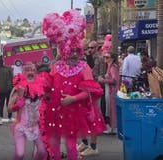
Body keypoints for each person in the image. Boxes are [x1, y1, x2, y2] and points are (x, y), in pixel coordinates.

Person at [40, 9, 106, 160]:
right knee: (54, 148)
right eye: (71, 51)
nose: (74, 54)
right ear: (64, 50)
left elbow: (89, 92)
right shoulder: (56, 66)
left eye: (77, 50)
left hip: (74, 113)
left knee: (71, 148)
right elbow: (48, 88)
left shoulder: (84, 67)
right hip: (55, 112)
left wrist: (73, 99)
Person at [8, 62, 47, 160]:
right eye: (27, 70)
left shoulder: (41, 85)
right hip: (21, 127)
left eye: (33, 70)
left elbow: (45, 101)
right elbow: (9, 108)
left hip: (35, 126)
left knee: (42, 152)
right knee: (20, 154)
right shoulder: (17, 88)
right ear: (23, 72)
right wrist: (21, 98)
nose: (30, 72)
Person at [98, 52, 120, 134]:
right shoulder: (109, 67)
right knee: (109, 109)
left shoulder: (113, 67)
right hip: (109, 90)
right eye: (104, 57)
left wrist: (103, 80)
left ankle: (113, 128)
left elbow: (114, 80)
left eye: (107, 57)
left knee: (112, 110)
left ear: (112, 58)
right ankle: (111, 127)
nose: (105, 59)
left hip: (112, 91)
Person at [0, 56, 13, 125]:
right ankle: (0, 118)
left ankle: (9, 117)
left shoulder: (8, 68)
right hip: (2, 88)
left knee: (8, 103)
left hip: (7, 88)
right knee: (2, 103)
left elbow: (12, 78)